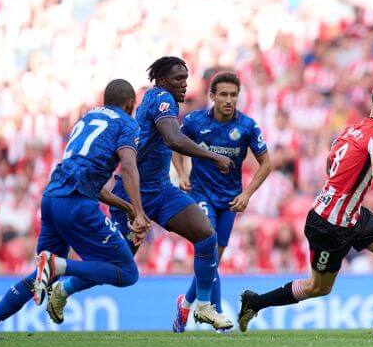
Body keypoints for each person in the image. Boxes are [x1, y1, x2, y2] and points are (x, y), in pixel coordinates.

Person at [49, 57, 236, 330]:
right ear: (161, 80)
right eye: (177, 79)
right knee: (117, 263)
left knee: (206, 235)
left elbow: (169, 143)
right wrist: (212, 157)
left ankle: (204, 307)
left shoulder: (162, 102)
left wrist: (181, 173)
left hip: (160, 190)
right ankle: (63, 289)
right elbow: (173, 139)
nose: (183, 84)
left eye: (186, 78)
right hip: (131, 193)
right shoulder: (161, 97)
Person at [0, 79, 150, 339]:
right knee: (127, 272)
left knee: (42, 276)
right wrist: (139, 212)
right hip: (77, 204)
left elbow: (87, 178)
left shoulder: (86, 119)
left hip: (51, 199)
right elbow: (129, 168)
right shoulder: (127, 123)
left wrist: (126, 207)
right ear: (131, 104)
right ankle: (59, 267)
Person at [236, 82, 373, 338]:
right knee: (318, 288)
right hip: (329, 225)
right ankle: (255, 302)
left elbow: (330, 161)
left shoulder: (351, 129)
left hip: (352, 215)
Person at [170, 71, 272, 332]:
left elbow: (266, 164)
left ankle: (187, 302)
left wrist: (247, 194)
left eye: (234, 95)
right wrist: (182, 174)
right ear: (212, 96)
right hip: (201, 194)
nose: (229, 100)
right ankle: (215, 313)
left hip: (229, 201)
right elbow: (175, 146)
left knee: (213, 258)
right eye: (223, 94)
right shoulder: (193, 121)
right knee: (210, 245)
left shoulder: (247, 126)